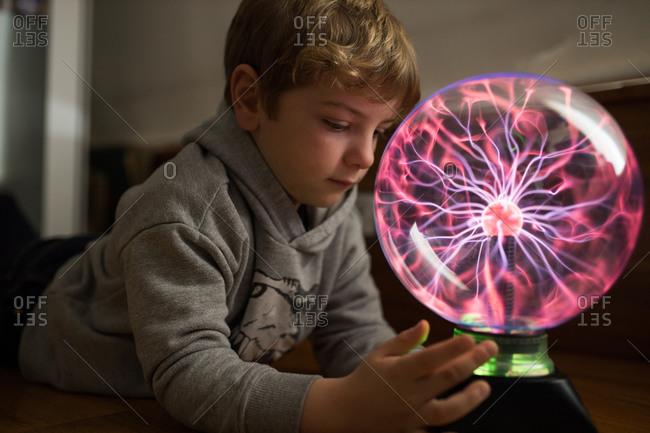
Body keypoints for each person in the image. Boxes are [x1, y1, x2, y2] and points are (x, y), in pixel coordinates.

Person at [8, 1, 498, 432]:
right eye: (339, 124)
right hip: (46, 295)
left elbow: (354, 333)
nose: (366, 158)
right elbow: (190, 372)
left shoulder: (337, 211)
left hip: (135, 259)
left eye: (378, 132)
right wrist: (331, 409)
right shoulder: (181, 209)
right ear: (251, 97)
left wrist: (406, 385)